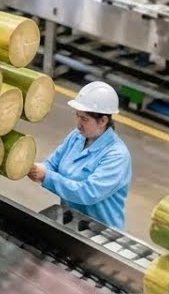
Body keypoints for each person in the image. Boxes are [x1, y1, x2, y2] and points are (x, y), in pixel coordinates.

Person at [28, 82, 131, 229]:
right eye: (78, 116)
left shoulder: (117, 156)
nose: (78, 125)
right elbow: (53, 164)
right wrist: (33, 167)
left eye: (84, 119)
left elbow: (88, 192)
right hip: (71, 221)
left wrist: (46, 176)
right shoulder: (77, 137)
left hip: (100, 232)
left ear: (103, 121)